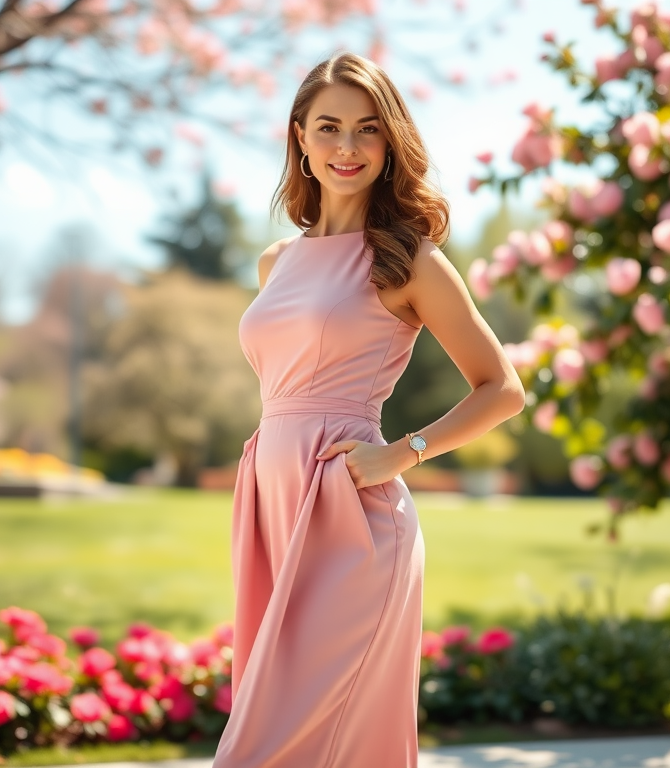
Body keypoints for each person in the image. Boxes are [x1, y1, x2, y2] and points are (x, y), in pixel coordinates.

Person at [212, 52, 525, 768]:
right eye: (329, 128)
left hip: (352, 511)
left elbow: (501, 387)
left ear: (390, 144)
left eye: (367, 130)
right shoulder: (275, 263)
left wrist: (402, 452)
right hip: (271, 499)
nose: (347, 148)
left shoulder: (408, 259)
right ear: (300, 137)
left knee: (270, 744)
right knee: (289, 728)